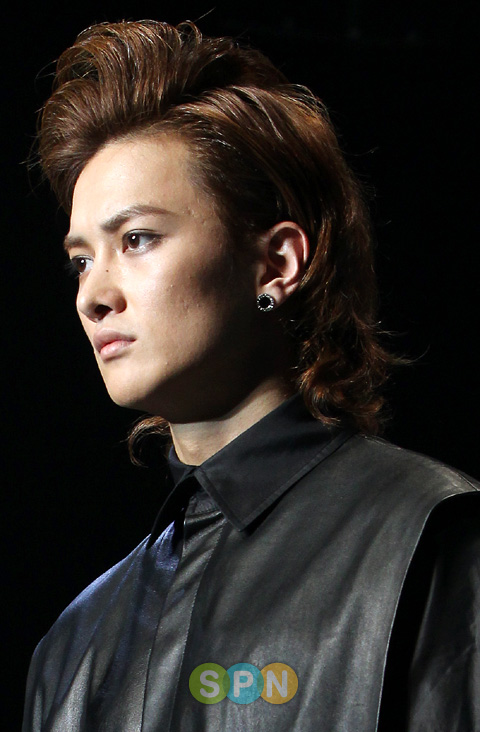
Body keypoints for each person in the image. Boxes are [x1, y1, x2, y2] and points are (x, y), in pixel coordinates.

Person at [23, 19, 479, 732]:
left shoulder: (430, 539)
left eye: (136, 239)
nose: (93, 295)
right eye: (81, 260)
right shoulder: (73, 643)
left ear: (277, 264)